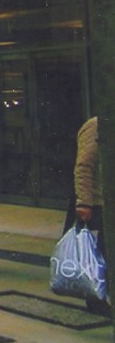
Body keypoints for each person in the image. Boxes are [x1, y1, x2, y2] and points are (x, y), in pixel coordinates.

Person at [66, 116, 110, 315]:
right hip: (99, 202)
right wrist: (84, 202)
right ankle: (96, 298)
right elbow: (84, 165)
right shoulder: (95, 126)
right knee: (99, 254)